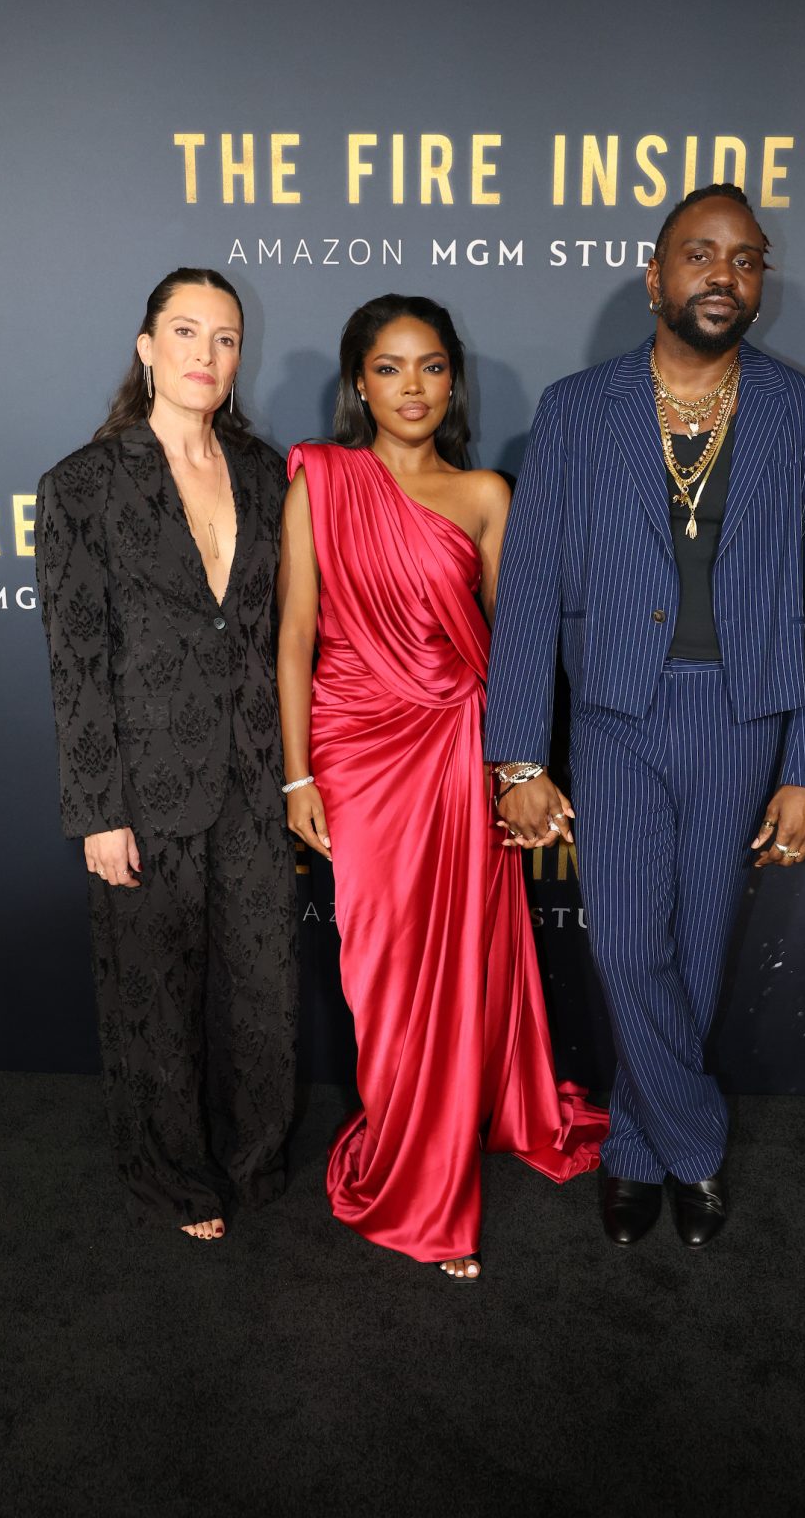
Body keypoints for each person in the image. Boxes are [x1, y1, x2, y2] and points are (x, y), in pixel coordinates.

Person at [485, 185, 805, 1249]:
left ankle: (638, 1152)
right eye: (699, 253)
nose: (722, 274)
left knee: (697, 947)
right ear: (655, 277)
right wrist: (516, 761)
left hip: (742, 721)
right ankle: (692, 1145)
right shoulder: (575, 409)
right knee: (627, 947)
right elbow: (527, 597)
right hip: (616, 716)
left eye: (744, 259)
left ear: (758, 286)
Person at [276, 294, 605, 1279]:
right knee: (381, 972)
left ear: (452, 379)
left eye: (428, 366)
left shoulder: (485, 496)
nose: (410, 387)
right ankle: (407, 1169)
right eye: (388, 367)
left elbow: (511, 652)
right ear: (359, 383)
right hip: (352, 749)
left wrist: (520, 767)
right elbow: (294, 635)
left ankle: (441, 1168)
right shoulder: (321, 478)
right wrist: (296, 774)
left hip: (458, 748)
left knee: (458, 961)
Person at [36, 267, 297, 1241]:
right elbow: (75, 660)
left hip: (255, 779)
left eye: (224, 337)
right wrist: (97, 810)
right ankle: (173, 1178)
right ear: (146, 347)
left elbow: (288, 633)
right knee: (152, 995)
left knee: (262, 986)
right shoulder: (81, 487)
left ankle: (255, 1158)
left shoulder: (271, 475)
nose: (205, 353)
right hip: (142, 788)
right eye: (184, 332)